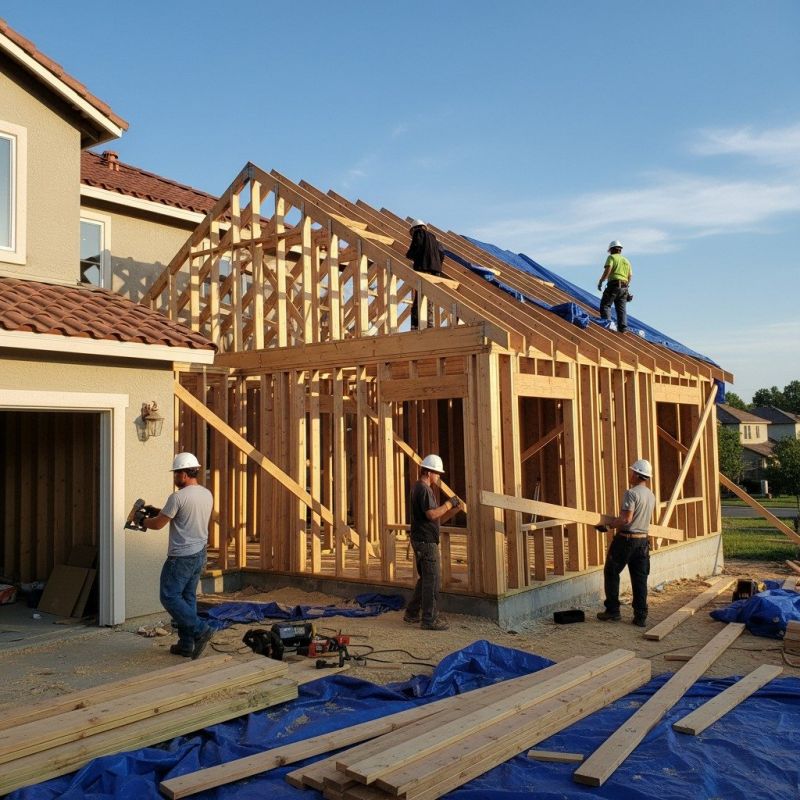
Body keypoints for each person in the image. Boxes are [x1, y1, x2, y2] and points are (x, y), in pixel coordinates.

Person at [141, 452, 215, 658]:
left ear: (183, 474)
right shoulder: (206, 494)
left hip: (181, 557)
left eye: (176, 473)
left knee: (169, 596)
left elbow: (157, 525)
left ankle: (201, 630)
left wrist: (141, 521)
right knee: (187, 597)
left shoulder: (177, 497)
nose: (174, 477)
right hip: (199, 553)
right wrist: (157, 510)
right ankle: (186, 644)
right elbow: (180, 515)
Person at [404, 454, 462, 630]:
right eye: (437, 474)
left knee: (426, 579)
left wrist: (451, 510)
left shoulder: (418, 488)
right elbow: (431, 514)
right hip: (426, 542)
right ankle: (429, 619)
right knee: (433, 580)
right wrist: (448, 505)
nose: (438, 477)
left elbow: (432, 518)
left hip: (421, 539)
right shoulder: (423, 489)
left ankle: (412, 613)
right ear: (429, 472)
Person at [596, 459, 656, 627]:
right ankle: (640, 616)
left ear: (637, 475)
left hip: (626, 540)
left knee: (611, 572)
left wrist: (607, 526)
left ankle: (613, 611)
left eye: (632, 472)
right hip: (643, 541)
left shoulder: (631, 493)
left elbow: (625, 518)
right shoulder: (651, 495)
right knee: (640, 579)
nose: (630, 475)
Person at [406, 220, 445, 330]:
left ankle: (415, 324)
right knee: (429, 298)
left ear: (414, 229)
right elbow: (442, 252)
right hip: (435, 271)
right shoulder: (434, 238)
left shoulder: (418, 233)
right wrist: (437, 265)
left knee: (419, 298)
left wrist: (409, 255)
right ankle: (429, 323)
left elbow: (416, 245)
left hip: (424, 268)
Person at [597, 240, 632, 333]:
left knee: (605, 305)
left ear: (611, 250)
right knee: (621, 309)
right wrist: (627, 287)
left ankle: (608, 325)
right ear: (620, 250)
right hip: (624, 287)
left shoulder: (611, 257)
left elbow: (608, 270)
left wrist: (601, 281)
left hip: (614, 285)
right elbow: (630, 275)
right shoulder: (626, 261)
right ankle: (623, 328)